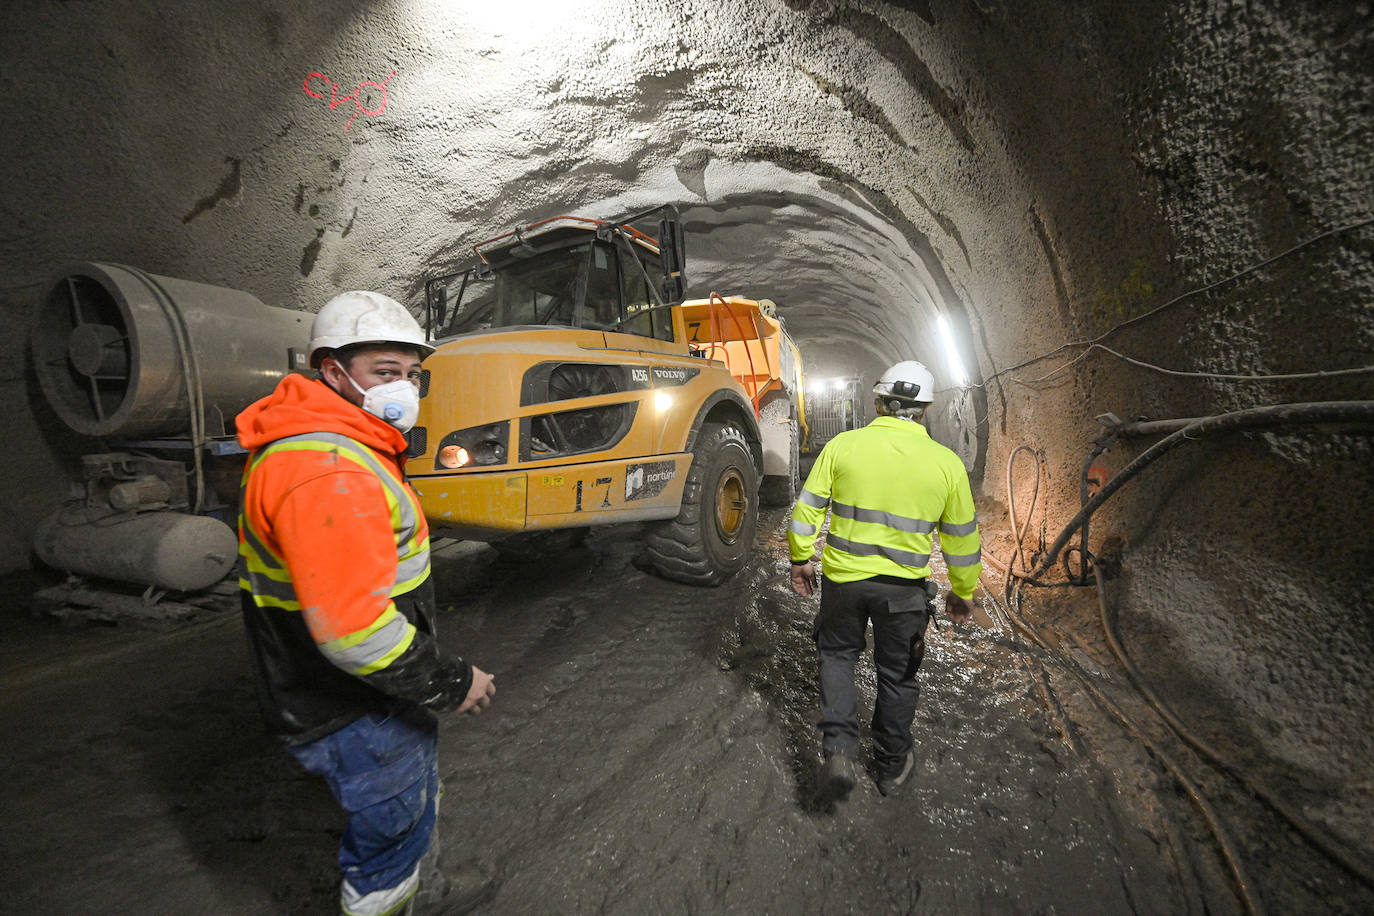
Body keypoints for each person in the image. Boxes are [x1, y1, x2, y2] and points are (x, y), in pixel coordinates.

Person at [237, 290, 496, 915]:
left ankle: (414, 880)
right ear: (333, 370)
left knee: (405, 806)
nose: (403, 388)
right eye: (385, 372)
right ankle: (387, 898)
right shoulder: (329, 469)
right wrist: (453, 681)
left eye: (411, 374)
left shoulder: (336, 440)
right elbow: (354, 631)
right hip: (354, 704)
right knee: (391, 826)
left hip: (333, 688)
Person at [788, 360, 980, 799]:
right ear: (926, 410)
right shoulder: (946, 464)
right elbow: (962, 538)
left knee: (837, 656)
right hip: (904, 593)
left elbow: (806, 511)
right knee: (897, 674)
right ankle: (892, 766)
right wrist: (962, 590)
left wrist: (801, 560)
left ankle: (839, 749)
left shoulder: (841, 446)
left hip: (844, 583)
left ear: (877, 402)